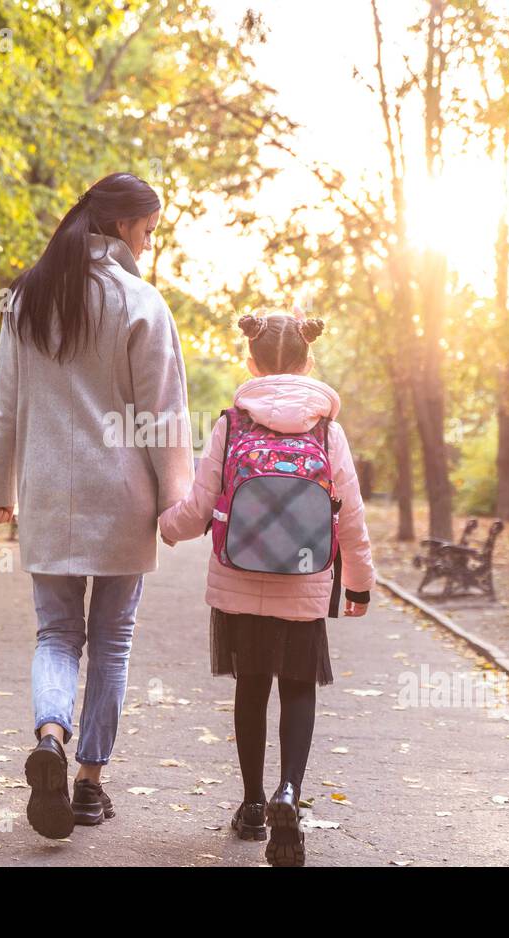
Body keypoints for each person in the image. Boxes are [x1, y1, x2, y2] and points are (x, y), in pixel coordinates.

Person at [0, 172, 192, 839]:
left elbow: (5, 406)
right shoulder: (140, 302)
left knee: (55, 634)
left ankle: (50, 735)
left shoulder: (26, 299)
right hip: (123, 498)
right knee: (112, 639)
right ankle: (90, 784)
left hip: (46, 494)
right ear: (128, 228)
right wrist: (176, 502)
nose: (150, 244)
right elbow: (163, 416)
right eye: (150, 231)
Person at [158, 310, 375, 867]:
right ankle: (289, 796)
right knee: (299, 687)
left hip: (238, 579)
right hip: (306, 582)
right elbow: (348, 516)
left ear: (251, 362)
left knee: (251, 688)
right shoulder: (328, 431)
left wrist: (164, 526)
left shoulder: (233, 424)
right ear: (308, 362)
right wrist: (359, 585)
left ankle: (253, 804)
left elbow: (201, 505)